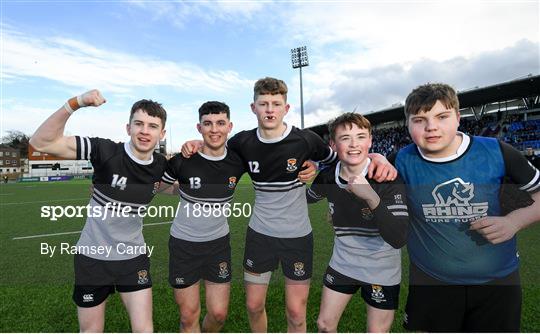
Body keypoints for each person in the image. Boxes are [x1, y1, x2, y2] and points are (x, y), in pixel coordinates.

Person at [182, 77, 396, 332]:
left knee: (296, 312)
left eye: (276, 103)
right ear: (253, 108)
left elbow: (340, 157)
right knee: (253, 306)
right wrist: (197, 144)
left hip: (297, 237)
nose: (270, 109)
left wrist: (374, 156)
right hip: (259, 236)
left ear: (286, 107)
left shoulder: (305, 140)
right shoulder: (242, 142)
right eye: (263, 104)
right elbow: (215, 148)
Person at [389, 83, 540, 332]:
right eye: (419, 119)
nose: (431, 127)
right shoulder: (401, 161)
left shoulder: (498, 152)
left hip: (498, 283)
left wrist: (514, 221)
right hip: (431, 283)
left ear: (458, 118)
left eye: (442, 116)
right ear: (407, 124)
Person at [29, 90, 168, 332]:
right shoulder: (105, 151)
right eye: (139, 124)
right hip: (92, 257)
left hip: (133, 259)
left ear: (161, 133)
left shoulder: (161, 167)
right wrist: (76, 103)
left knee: (145, 330)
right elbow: (41, 143)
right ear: (128, 128)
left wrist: (197, 148)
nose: (145, 131)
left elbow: (186, 185)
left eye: (152, 126)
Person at [306, 112, 409, 333]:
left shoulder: (386, 177)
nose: (354, 145)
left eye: (361, 136)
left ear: (370, 141)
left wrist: (370, 195)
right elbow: (304, 199)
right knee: (324, 325)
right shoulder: (327, 177)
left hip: (381, 269)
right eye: (345, 138)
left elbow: (398, 238)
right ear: (333, 143)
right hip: (343, 263)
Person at [160, 101, 245, 332]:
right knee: (189, 316)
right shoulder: (183, 159)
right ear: (199, 128)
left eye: (220, 123)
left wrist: (306, 165)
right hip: (183, 245)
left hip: (218, 245)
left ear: (230, 126)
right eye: (208, 124)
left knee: (218, 314)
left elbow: (270, 162)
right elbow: (158, 187)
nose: (214, 129)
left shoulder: (238, 161)